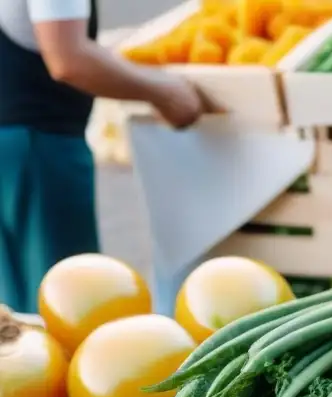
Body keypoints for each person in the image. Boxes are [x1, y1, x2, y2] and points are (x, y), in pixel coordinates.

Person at [0, 0, 205, 313]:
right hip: (36, 145)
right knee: (69, 302)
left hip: (18, 142)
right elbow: (68, 59)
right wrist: (165, 92)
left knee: (14, 312)